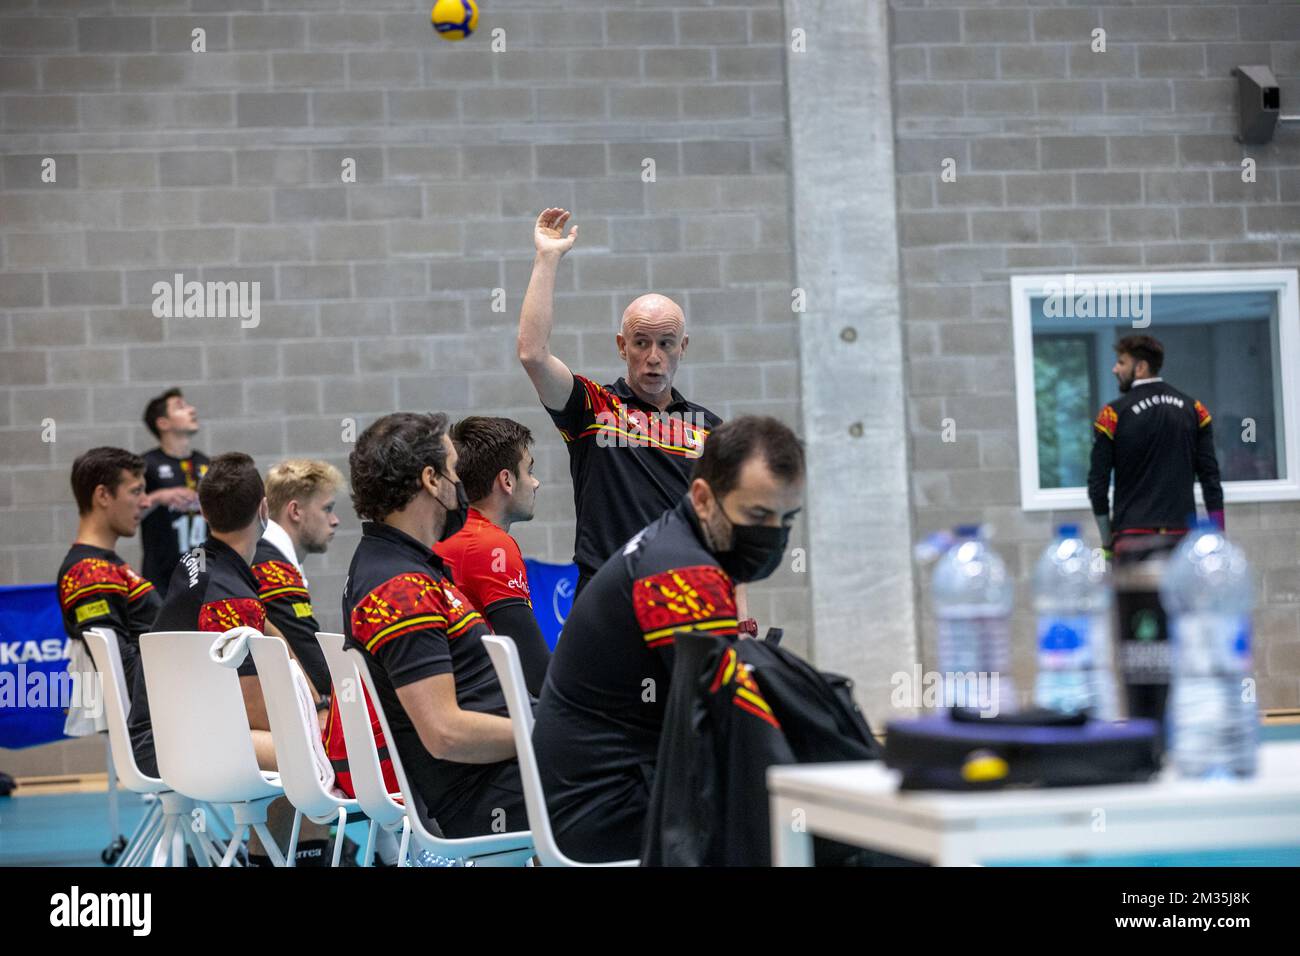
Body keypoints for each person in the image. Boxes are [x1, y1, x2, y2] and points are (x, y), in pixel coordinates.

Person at [532, 416, 804, 862]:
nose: (773, 533)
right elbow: (727, 726)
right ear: (702, 498)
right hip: (605, 811)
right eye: (757, 515)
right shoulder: (683, 574)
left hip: (605, 790)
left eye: (785, 518)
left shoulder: (672, 542)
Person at [518, 208, 744, 615]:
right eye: (641, 343)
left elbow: (727, 526)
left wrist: (739, 616)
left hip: (685, 595)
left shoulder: (711, 430)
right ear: (622, 346)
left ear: (683, 348)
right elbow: (533, 355)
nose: (654, 357)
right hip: (608, 597)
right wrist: (547, 258)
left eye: (666, 343)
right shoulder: (591, 408)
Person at [321, 412, 525, 838]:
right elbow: (444, 733)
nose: (462, 485)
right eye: (454, 471)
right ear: (432, 480)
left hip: (502, 774)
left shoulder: (399, 564)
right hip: (491, 792)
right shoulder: (399, 586)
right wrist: (547, 733)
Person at [433, 416, 550, 697]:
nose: (535, 483)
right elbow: (538, 676)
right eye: (529, 470)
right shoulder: (490, 545)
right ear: (506, 480)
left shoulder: (444, 532)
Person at [1087, 335, 1225, 549]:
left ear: (1141, 367)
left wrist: (1107, 543)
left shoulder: (1112, 414)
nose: (1115, 369)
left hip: (1131, 538)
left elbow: (1097, 484)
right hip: (1182, 537)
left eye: (1121, 362)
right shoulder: (1195, 410)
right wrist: (1219, 538)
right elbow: (1211, 478)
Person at [56, 448, 160, 723]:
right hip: (150, 726)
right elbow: (117, 668)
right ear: (103, 495)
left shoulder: (106, 565)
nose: (146, 502)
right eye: (136, 491)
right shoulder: (90, 572)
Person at [252, 458, 343, 698]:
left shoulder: (266, 554)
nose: (335, 520)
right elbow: (316, 669)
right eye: (327, 508)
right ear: (295, 511)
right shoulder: (272, 568)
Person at [139, 388, 210, 591]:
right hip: (162, 578)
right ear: (163, 423)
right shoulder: (147, 465)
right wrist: (159, 497)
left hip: (203, 573)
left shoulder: (205, 463)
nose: (192, 409)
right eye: (181, 407)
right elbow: (126, 515)